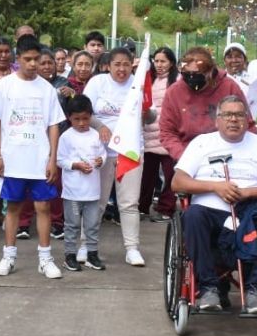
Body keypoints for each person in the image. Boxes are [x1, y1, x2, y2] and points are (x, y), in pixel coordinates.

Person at [171, 94, 257, 314]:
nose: (233, 119)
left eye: (239, 115)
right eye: (227, 115)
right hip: (210, 212)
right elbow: (178, 182)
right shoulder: (202, 143)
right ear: (217, 120)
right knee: (192, 215)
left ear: (247, 119)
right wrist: (215, 187)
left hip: (252, 213)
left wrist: (248, 193)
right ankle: (208, 287)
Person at [0, 35, 66, 279]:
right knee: (13, 207)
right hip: (13, 158)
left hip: (39, 159)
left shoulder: (47, 89)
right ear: (17, 59)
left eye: (36, 59)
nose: (33, 64)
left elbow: (53, 125)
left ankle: (45, 259)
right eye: (28, 59)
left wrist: (52, 158)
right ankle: (8, 257)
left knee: (43, 206)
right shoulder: (5, 86)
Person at [83, 46, 145, 266]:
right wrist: (100, 126)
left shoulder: (138, 85)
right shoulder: (98, 83)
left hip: (130, 151)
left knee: (129, 203)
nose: (121, 69)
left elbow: (150, 116)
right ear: (107, 66)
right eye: (117, 64)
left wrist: (147, 112)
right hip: (102, 151)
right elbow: (84, 111)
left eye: (126, 64)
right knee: (97, 201)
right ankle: (86, 245)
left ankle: (132, 248)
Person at [57, 95, 106, 271]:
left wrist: (101, 160)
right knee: (72, 224)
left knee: (92, 224)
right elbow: (60, 160)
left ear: (91, 116)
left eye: (85, 118)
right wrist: (75, 165)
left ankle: (92, 254)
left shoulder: (96, 135)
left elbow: (102, 154)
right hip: (73, 192)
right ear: (69, 118)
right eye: (76, 119)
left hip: (92, 191)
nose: (81, 123)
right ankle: (70, 255)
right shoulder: (66, 137)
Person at [139, 47, 179, 222]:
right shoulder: (147, 79)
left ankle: (166, 208)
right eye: (156, 61)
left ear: (171, 63)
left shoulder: (178, 80)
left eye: (163, 61)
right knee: (146, 176)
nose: (159, 64)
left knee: (171, 175)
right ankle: (142, 207)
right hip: (148, 134)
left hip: (169, 136)